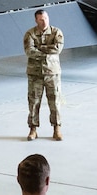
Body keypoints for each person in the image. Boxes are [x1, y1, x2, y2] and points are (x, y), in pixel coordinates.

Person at [23, 9, 64, 142]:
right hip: (35, 74)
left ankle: (56, 128)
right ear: (36, 20)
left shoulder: (56, 32)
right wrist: (47, 50)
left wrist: (40, 47)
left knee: (55, 101)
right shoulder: (30, 34)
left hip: (52, 72)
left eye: (46, 18)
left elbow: (57, 49)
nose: (44, 21)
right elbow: (30, 51)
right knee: (34, 102)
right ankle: (33, 129)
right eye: (41, 19)